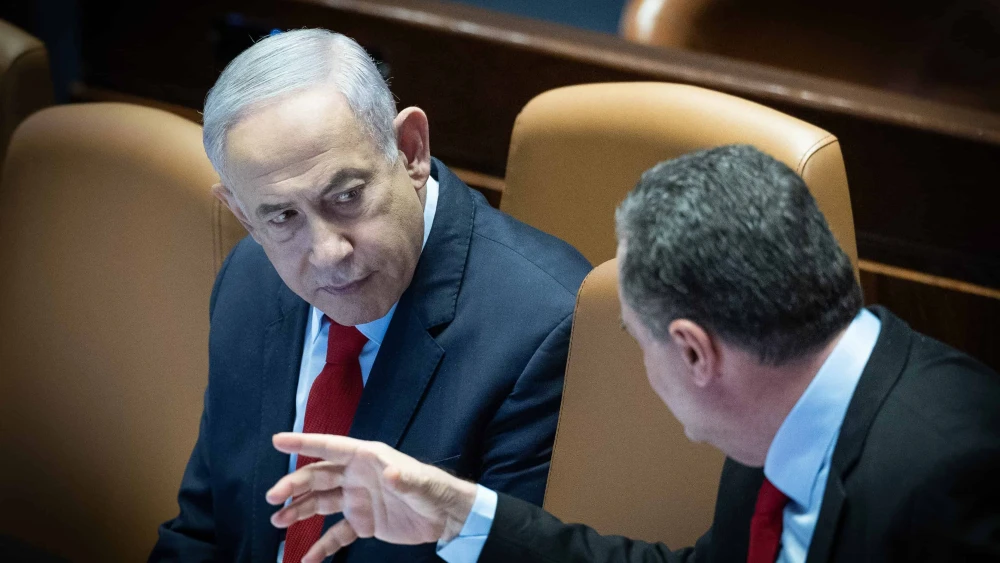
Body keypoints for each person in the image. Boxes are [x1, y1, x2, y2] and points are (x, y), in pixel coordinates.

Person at [263, 145, 1000, 563]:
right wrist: (459, 513)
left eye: (633, 336)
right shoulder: (780, 421)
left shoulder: (957, 473)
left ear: (692, 352)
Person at [148, 29, 592, 562]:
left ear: (410, 151)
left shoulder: (543, 324)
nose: (328, 252)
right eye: (282, 216)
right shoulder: (250, 278)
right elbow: (203, 531)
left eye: (345, 196)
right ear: (243, 214)